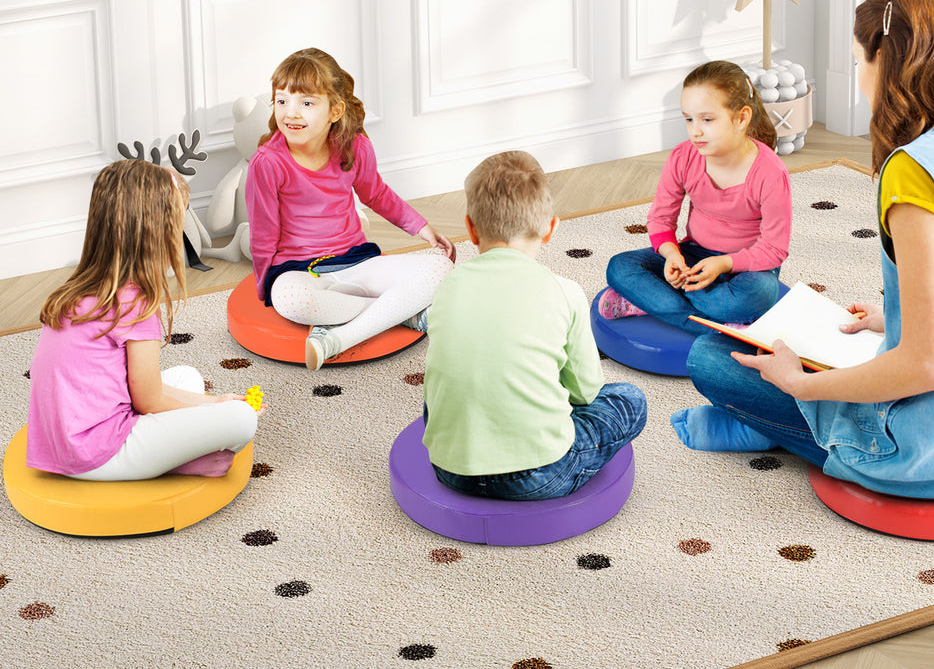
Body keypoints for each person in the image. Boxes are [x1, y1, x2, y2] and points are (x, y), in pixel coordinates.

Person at [672, 0, 934, 500]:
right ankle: (776, 421)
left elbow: (926, 367)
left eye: (859, 63)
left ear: (883, 59)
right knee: (817, 351)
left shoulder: (915, 171)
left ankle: (775, 426)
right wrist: (898, 320)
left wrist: (801, 385)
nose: (861, 80)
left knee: (710, 357)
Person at [422, 150, 647, 500]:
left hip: (451, 468)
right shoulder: (565, 291)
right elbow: (585, 393)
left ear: (470, 228)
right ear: (550, 229)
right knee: (629, 399)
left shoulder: (447, 284)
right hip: (538, 474)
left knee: (449, 389)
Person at [27, 159, 259, 480]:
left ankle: (179, 457)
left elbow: (138, 390)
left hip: (61, 443)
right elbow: (149, 400)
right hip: (98, 453)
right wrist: (218, 407)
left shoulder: (81, 289)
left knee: (187, 376)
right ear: (156, 234)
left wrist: (212, 400)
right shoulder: (134, 300)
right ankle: (174, 460)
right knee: (241, 419)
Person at [246, 47, 455, 371]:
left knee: (441, 269)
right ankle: (403, 313)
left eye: (307, 102)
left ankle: (337, 338)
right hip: (301, 272)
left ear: (335, 110)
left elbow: (377, 194)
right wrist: (267, 287)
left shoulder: (354, 146)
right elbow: (263, 232)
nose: (290, 112)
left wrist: (423, 228)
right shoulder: (268, 162)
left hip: (357, 262)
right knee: (292, 299)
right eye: (282, 100)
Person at [600, 60, 791, 335]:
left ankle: (652, 302)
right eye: (688, 119)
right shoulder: (683, 156)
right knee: (620, 267)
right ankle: (719, 326)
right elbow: (660, 219)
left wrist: (725, 263)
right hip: (693, 255)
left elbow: (774, 249)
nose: (695, 130)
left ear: (741, 118)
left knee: (758, 295)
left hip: (747, 267)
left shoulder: (771, 173)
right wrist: (671, 255)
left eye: (707, 119)